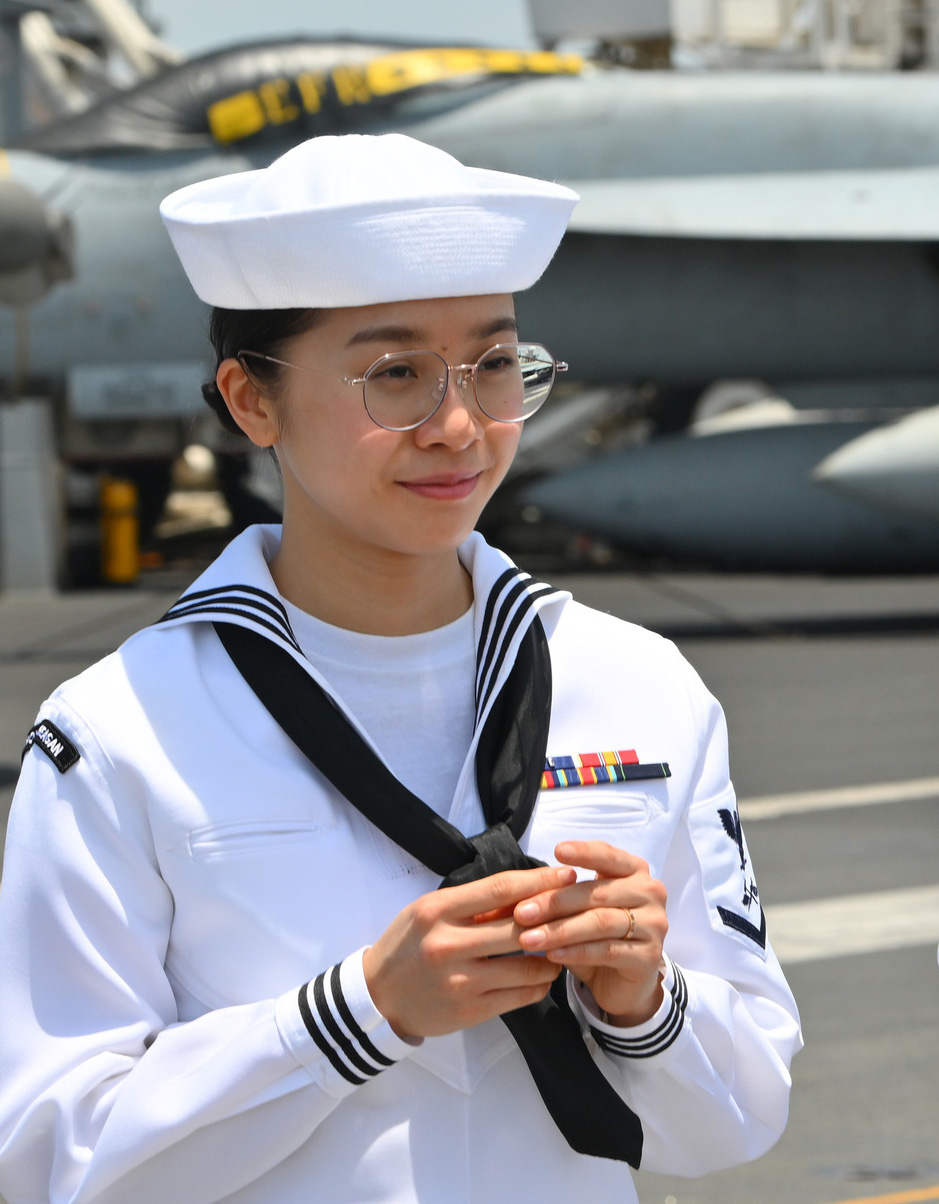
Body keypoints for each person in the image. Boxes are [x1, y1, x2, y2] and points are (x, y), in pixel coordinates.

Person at [0, 133, 798, 1204]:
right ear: (250, 402)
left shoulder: (641, 686)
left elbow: (740, 1114)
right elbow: (50, 1152)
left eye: (497, 365)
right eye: (395, 376)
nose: (461, 427)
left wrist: (641, 1001)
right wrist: (358, 1011)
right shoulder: (118, 732)